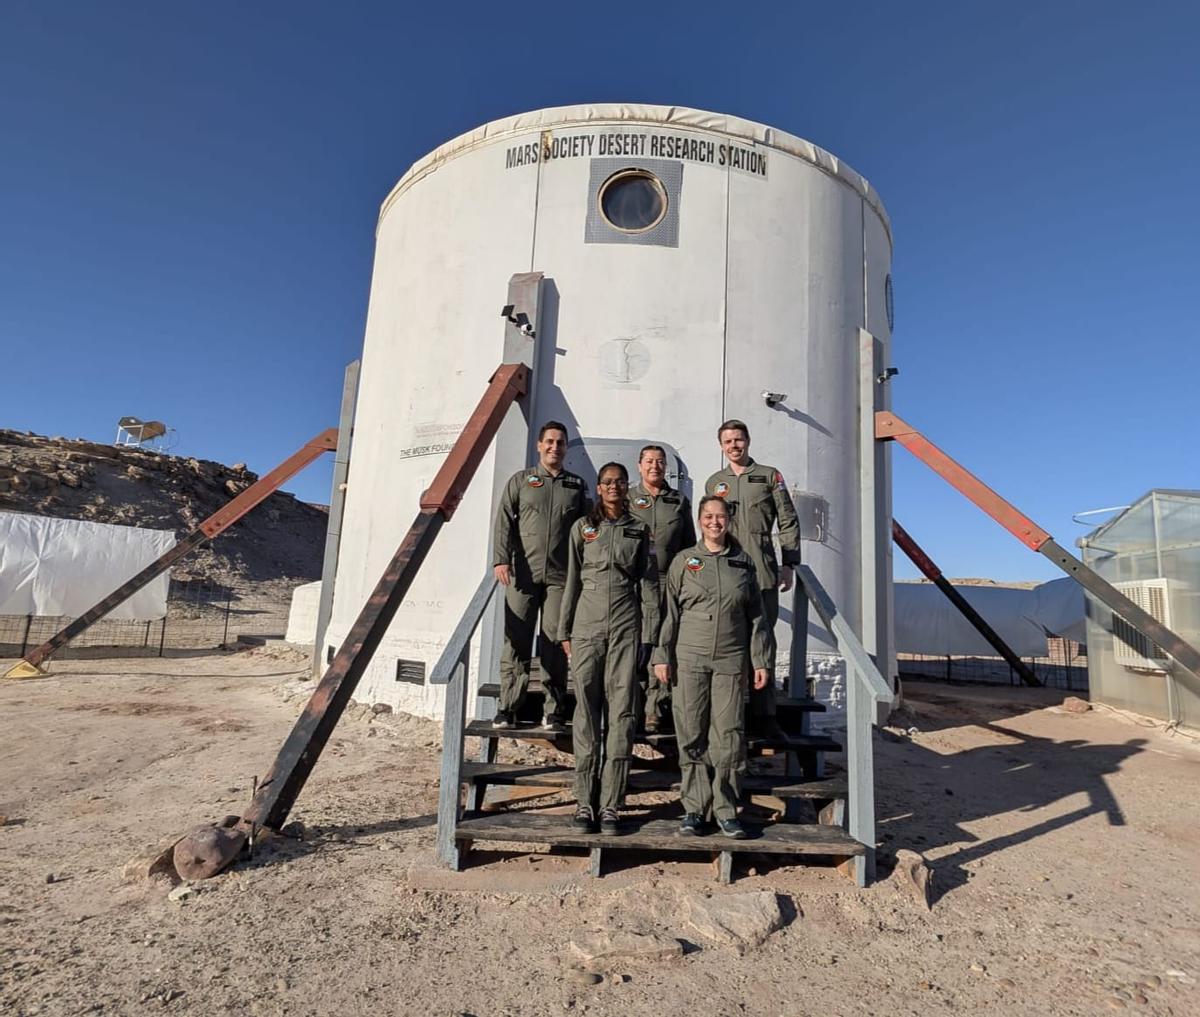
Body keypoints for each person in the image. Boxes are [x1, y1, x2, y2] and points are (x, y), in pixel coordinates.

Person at [653, 495, 772, 838]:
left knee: (729, 736)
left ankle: (725, 809)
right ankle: (694, 808)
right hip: (690, 657)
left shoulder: (742, 563)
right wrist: (662, 654)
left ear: (729, 521)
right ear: (700, 520)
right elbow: (669, 613)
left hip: (730, 660)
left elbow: (757, 617)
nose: (715, 522)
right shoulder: (684, 561)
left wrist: (760, 659)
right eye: (708, 516)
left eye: (720, 516)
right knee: (691, 733)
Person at [559, 462, 660, 835]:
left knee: (621, 714)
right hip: (586, 627)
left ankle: (612, 805)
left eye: (619, 482)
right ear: (598, 488)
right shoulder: (583, 528)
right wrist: (564, 629)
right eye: (607, 482)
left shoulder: (639, 530)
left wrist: (650, 633)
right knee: (586, 713)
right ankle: (585, 802)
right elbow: (572, 580)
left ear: (627, 487)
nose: (613, 487)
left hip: (624, 626)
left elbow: (648, 585)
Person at [492, 421, 589, 731]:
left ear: (566, 447)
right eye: (549, 441)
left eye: (560, 442)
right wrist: (501, 559)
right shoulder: (521, 481)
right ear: (539, 445)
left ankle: (554, 710)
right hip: (523, 574)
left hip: (560, 577)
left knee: (555, 642)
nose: (554, 447)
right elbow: (504, 520)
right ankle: (508, 707)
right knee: (516, 641)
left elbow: (586, 529)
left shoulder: (576, 486)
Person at [705, 419, 801, 732]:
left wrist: (789, 563)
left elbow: (788, 520)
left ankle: (764, 715)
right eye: (727, 441)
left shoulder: (769, 476)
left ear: (747, 441)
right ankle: (727, 714)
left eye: (738, 440)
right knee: (726, 641)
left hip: (761, 572)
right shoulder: (715, 483)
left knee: (762, 643)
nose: (733, 446)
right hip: (725, 574)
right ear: (721, 446)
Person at [628, 444, 695, 733]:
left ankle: (654, 707)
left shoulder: (678, 501)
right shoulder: (628, 498)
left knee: (662, 641)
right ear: (639, 465)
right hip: (636, 580)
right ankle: (632, 704)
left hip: (668, 579)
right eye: (649, 461)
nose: (655, 466)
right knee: (637, 641)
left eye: (660, 461)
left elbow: (689, 545)